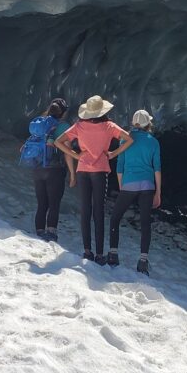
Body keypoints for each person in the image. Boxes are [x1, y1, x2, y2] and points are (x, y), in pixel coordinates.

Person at [55, 95, 133, 264]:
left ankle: (87, 251)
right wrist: (113, 154)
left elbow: (58, 142)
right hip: (100, 172)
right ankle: (99, 254)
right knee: (98, 211)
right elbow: (129, 139)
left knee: (85, 210)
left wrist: (75, 154)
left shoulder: (79, 126)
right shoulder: (109, 126)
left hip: (83, 169)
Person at [109, 109, 161, 275]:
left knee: (115, 218)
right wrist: (158, 192)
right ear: (148, 124)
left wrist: (122, 186)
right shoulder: (153, 142)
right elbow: (157, 169)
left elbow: (119, 167)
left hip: (129, 184)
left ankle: (113, 254)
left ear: (133, 123)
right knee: (145, 223)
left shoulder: (125, 139)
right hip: (147, 185)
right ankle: (143, 261)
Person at [29, 98, 76, 242]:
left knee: (42, 203)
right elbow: (67, 152)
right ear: (63, 112)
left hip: (37, 168)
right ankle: (50, 234)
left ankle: (39, 233)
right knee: (54, 204)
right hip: (55, 170)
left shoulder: (39, 124)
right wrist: (72, 174)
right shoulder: (63, 127)